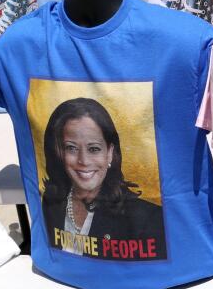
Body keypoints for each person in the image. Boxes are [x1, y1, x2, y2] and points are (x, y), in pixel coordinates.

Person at [40, 98, 166, 260]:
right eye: (71, 148)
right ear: (59, 153)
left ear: (110, 153)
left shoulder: (148, 219)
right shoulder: (51, 202)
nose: (83, 161)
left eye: (94, 149)